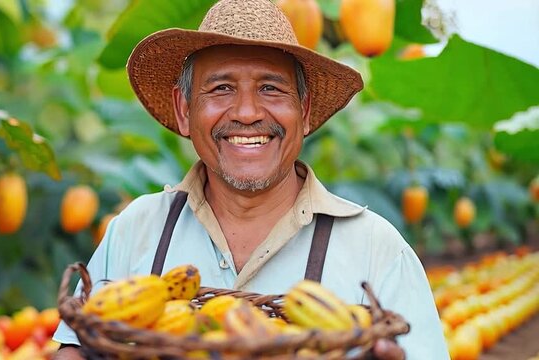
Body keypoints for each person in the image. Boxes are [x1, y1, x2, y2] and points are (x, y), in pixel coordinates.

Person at [54, 0, 449, 358]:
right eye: (221, 88)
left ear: (305, 110)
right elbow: (73, 352)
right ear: (183, 108)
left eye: (271, 88)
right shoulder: (136, 230)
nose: (246, 112)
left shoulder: (377, 250)